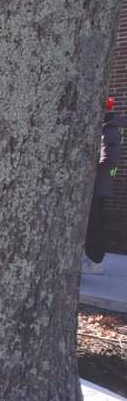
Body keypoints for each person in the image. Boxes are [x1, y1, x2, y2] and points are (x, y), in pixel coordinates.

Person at [83, 97, 126, 274]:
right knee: (93, 221)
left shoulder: (108, 130)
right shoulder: (107, 128)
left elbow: (109, 157)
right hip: (99, 184)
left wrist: (91, 170)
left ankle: (95, 262)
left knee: (94, 223)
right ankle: (92, 259)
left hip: (98, 185)